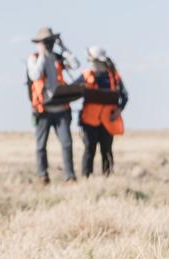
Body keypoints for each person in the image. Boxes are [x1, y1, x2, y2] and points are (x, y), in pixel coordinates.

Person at [26, 26, 79, 184]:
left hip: (61, 108)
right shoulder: (34, 58)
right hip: (43, 109)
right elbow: (34, 75)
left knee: (67, 143)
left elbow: (75, 65)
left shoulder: (59, 57)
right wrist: (42, 55)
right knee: (41, 145)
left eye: (50, 42)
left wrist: (63, 48)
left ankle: (69, 176)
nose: (48, 45)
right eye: (45, 42)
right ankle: (43, 176)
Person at [76, 46, 128, 177]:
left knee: (107, 150)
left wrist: (119, 110)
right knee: (89, 149)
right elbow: (73, 91)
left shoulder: (113, 76)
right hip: (89, 121)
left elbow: (125, 96)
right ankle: (86, 177)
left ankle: (108, 177)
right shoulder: (86, 75)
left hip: (107, 121)